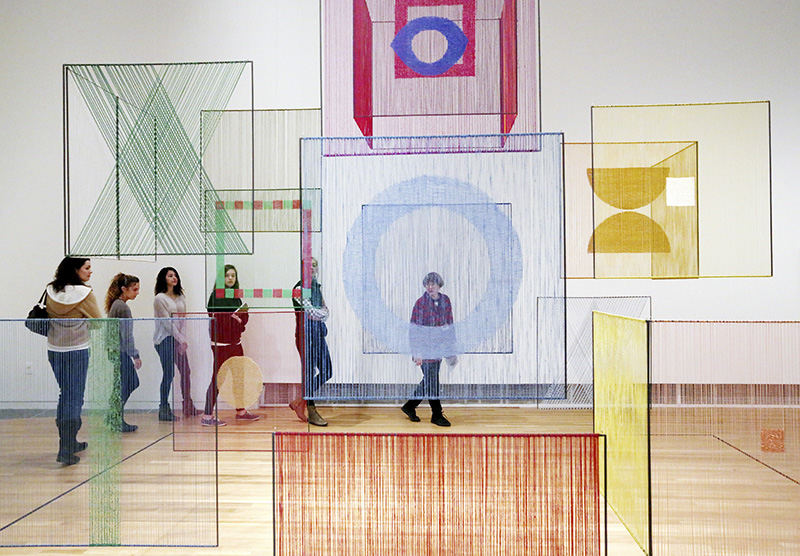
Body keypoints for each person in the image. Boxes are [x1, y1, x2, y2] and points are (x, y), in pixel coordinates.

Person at [45, 257, 103, 465]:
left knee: (65, 394)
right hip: (77, 350)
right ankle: (66, 448)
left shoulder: (51, 290)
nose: (90, 272)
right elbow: (98, 322)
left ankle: (69, 441)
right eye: (87, 268)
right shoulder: (85, 294)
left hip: (55, 350)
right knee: (75, 397)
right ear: (75, 270)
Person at [203, 264, 260, 426]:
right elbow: (219, 321)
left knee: (238, 378)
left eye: (233, 276)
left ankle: (241, 411)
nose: (230, 278)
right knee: (218, 379)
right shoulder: (216, 295)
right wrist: (234, 319)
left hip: (236, 343)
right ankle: (207, 416)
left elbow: (242, 322)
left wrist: (239, 320)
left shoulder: (236, 296)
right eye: (227, 275)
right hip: (221, 344)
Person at [401, 272, 455, 427]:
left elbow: (449, 325)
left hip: (438, 348)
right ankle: (436, 415)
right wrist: (416, 352)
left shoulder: (445, 301)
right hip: (424, 349)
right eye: (428, 284)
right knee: (432, 382)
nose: (430, 287)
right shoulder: (421, 303)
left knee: (429, 381)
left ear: (439, 285)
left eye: (433, 284)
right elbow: (414, 330)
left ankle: (410, 406)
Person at [289, 257, 331, 427]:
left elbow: (326, 313)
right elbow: (314, 312)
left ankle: (300, 400)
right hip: (305, 337)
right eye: (309, 266)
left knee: (327, 370)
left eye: (315, 265)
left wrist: (320, 312)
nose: (312, 268)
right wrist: (320, 312)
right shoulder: (299, 289)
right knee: (308, 374)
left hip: (319, 335)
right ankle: (311, 411)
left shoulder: (316, 288)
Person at [153, 267, 197, 421]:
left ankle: (188, 405)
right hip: (164, 339)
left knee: (186, 371)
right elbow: (167, 323)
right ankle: (163, 409)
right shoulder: (159, 298)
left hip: (178, 339)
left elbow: (183, 320)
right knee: (169, 373)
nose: (174, 278)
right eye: (170, 275)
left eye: (175, 275)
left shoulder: (180, 297)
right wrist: (180, 339)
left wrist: (182, 339)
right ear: (163, 279)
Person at [104, 273, 142, 432]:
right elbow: (126, 335)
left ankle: (113, 417)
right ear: (124, 289)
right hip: (120, 352)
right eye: (134, 289)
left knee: (120, 385)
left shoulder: (116, 305)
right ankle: (114, 417)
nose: (137, 292)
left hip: (114, 351)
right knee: (130, 382)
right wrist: (135, 355)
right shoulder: (122, 307)